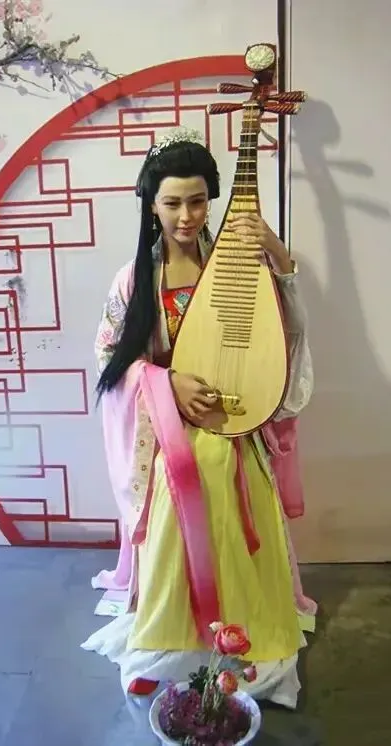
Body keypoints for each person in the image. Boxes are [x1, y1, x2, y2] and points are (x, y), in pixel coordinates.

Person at [81, 127, 317, 709]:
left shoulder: (237, 268)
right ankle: (164, 646)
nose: (185, 216)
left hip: (236, 422)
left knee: (234, 501)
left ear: (211, 200)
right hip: (168, 430)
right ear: (151, 205)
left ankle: (250, 636)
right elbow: (111, 359)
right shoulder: (135, 279)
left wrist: (278, 253)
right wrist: (166, 382)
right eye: (171, 203)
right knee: (179, 493)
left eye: (196, 201)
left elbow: (283, 337)